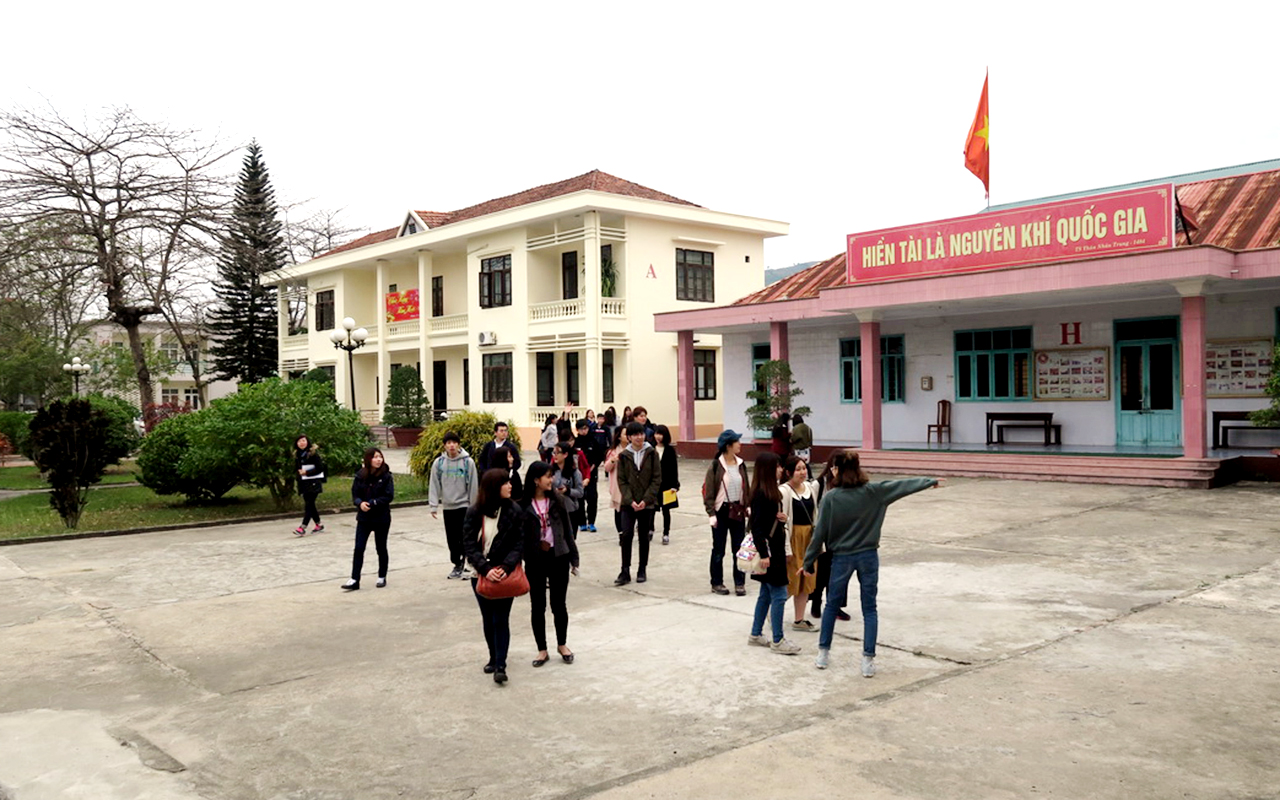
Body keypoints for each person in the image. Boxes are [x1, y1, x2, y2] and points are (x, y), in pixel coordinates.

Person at [803, 450, 941, 675]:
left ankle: (823, 654)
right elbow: (902, 486)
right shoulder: (874, 492)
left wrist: (808, 562)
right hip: (868, 555)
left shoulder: (831, 498)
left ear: (837, 470)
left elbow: (819, 534)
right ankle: (868, 660)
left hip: (842, 557)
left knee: (831, 605)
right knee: (869, 608)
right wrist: (929, 481)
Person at [462, 468, 524, 685]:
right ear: (493, 487)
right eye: (505, 483)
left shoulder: (514, 510)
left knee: (500, 619)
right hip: (480, 573)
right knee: (488, 618)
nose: (510, 486)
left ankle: (500, 665)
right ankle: (492, 656)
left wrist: (505, 567)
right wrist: (486, 568)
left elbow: (519, 543)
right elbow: (469, 544)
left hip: (505, 574)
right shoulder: (474, 512)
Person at [521, 461, 579, 668]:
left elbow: (568, 530)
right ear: (536, 480)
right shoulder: (523, 505)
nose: (551, 480)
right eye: (547, 476)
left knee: (559, 604)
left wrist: (574, 558)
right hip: (535, 560)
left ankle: (562, 644)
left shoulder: (558, 500)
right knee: (538, 606)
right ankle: (542, 649)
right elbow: (519, 537)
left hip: (558, 556)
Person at [746, 452, 802, 655]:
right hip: (770, 553)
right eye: (777, 466)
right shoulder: (762, 494)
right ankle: (778, 639)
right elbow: (757, 527)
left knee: (765, 595)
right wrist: (764, 554)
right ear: (768, 469)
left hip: (774, 550)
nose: (781, 470)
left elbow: (768, 521)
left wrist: (783, 519)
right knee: (778, 594)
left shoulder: (772, 492)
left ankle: (755, 634)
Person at [702, 429, 750, 596]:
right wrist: (711, 513)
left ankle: (740, 582)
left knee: (739, 548)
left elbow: (746, 486)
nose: (740, 444)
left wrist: (747, 505)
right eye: (737, 441)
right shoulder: (716, 465)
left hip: (738, 510)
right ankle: (716, 582)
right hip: (721, 510)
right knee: (718, 549)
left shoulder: (741, 464)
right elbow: (709, 491)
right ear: (728, 445)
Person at [615, 421, 660, 586]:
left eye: (641, 434)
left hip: (646, 504)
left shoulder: (652, 453)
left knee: (643, 536)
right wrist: (630, 500)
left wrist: (646, 500)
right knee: (626, 535)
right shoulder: (624, 456)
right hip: (629, 504)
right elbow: (621, 480)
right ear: (629, 437)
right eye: (635, 435)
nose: (639, 437)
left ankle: (642, 569)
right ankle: (625, 570)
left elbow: (656, 479)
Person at [428, 431, 478, 580]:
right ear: (444, 445)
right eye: (448, 443)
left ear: (458, 444)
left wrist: (474, 506)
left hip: (464, 506)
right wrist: (433, 505)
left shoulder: (468, 462)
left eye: (454, 442)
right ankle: (457, 564)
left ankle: (468, 563)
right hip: (448, 506)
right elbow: (434, 484)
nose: (452, 446)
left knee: (465, 536)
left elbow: (473, 485)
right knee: (452, 538)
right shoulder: (439, 463)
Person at [343, 447, 394, 591]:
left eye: (380, 457)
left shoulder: (386, 476)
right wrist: (360, 503)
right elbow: (355, 494)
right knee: (359, 548)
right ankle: (354, 579)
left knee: (381, 547)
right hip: (364, 518)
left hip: (381, 518)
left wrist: (373, 503)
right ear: (368, 459)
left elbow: (388, 496)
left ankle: (382, 576)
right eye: (375, 457)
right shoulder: (360, 475)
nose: (378, 460)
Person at [780, 456, 820, 632]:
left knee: (807, 580)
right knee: (792, 579)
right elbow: (783, 524)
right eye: (798, 469)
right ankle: (773, 612)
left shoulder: (810, 488)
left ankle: (799, 619)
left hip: (809, 538)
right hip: (794, 537)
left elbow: (815, 516)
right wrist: (786, 548)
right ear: (789, 472)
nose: (802, 472)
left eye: (804, 468)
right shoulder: (784, 491)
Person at [809, 460, 849, 623]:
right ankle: (816, 601)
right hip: (823, 534)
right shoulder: (819, 484)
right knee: (822, 572)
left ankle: (836, 605)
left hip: (841, 534)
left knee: (840, 572)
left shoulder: (847, 485)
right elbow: (812, 508)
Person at [574, 418, 605, 532]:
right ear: (577, 430)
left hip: (592, 473)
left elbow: (600, 455)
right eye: (581, 429)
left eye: (585, 428)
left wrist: (593, 466)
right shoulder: (575, 442)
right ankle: (582, 522)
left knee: (592, 498)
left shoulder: (593, 441)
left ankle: (591, 522)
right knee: (580, 498)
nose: (584, 431)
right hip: (578, 475)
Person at [477, 421, 523, 498]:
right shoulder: (488, 446)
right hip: (491, 477)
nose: (504, 433)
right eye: (501, 431)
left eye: (505, 431)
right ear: (495, 433)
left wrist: (509, 472)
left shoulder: (511, 447)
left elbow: (517, 462)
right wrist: (485, 472)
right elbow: (482, 460)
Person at [293, 435, 327, 536]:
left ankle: (302, 527)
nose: (302, 443)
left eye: (303, 441)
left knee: (309, 504)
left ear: (307, 442)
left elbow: (320, 468)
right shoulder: (297, 455)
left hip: (314, 482)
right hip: (304, 483)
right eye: (299, 441)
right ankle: (318, 524)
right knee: (310, 505)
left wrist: (307, 472)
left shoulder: (313, 454)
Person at [654, 424, 679, 545]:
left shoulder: (670, 450)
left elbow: (674, 468)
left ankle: (666, 533)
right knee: (651, 509)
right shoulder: (650, 449)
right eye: (656, 433)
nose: (658, 437)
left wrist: (675, 485)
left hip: (667, 485)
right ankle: (650, 529)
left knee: (666, 510)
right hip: (653, 484)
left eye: (661, 434)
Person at [549, 441, 585, 527]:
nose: (555, 455)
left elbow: (580, 492)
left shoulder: (575, 473)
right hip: (553, 509)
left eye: (557, 453)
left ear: (565, 454)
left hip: (570, 510)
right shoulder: (550, 471)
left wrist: (567, 491)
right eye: (553, 452)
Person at [601, 425, 626, 537]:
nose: (628, 436)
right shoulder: (612, 452)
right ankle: (621, 533)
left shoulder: (633, 450)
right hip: (617, 485)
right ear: (619, 437)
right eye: (625, 434)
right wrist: (612, 460)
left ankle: (627, 532)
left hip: (631, 483)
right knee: (618, 509)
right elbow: (607, 468)